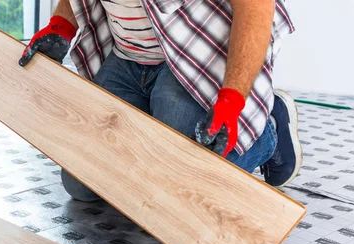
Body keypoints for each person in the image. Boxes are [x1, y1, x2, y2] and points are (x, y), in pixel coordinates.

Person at [19, 0, 302, 202]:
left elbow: (257, 6)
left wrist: (233, 97)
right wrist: (60, 27)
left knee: (180, 187)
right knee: (82, 186)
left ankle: (267, 131)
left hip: (190, 57)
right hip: (126, 59)